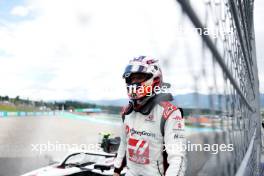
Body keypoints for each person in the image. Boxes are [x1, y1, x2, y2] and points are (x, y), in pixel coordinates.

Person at [113, 56, 186, 176]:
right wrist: (116, 170)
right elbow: (124, 145)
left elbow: (177, 158)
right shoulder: (126, 111)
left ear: (155, 78)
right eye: (132, 79)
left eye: (139, 77)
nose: (134, 82)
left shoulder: (170, 113)